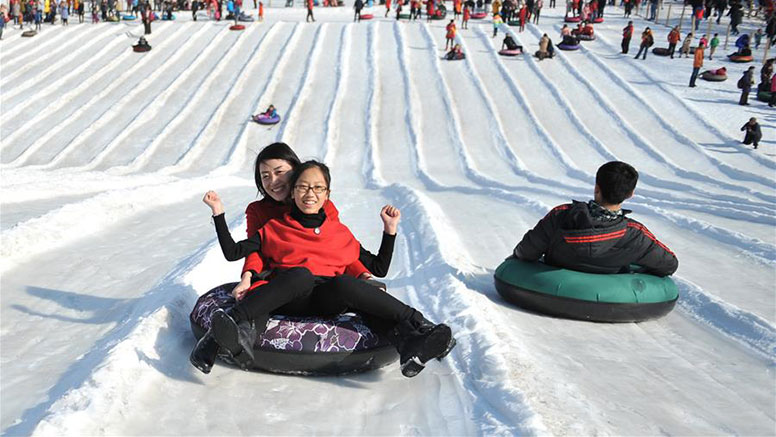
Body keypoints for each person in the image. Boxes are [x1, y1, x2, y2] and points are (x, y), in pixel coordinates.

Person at [195, 160, 456, 378]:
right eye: (303, 187)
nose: (311, 194)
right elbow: (233, 252)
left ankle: (417, 332)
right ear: (293, 193)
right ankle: (230, 325)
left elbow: (378, 266)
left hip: (326, 301)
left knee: (344, 284)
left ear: (327, 194)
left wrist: (390, 231)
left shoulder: (339, 232)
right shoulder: (275, 228)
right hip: (290, 297)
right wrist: (218, 214)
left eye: (318, 188)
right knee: (301, 275)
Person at [512, 161, 678, 277]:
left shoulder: (561, 215)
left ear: (596, 188)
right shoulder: (636, 234)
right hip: (607, 299)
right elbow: (669, 264)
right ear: (630, 194)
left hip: (547, 289)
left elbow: (526, 252)